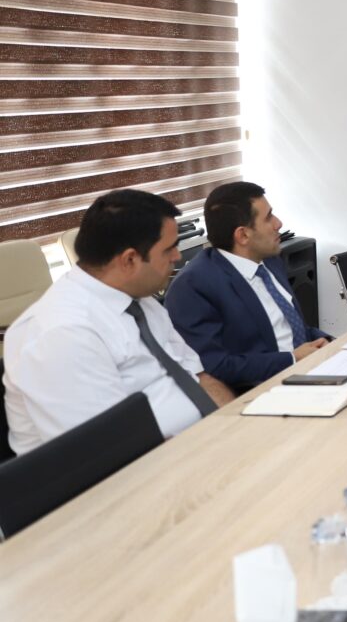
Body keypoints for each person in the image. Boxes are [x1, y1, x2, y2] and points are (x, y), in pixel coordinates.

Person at [3, 189, 234, 456]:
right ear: (130, 260)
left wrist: (234, 424)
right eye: (169, 249)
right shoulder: (61, 333)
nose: (177, 257)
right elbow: (109, 450)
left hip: (206, 441)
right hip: (139, 470)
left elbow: (198, 376)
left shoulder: (138, 299)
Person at [165, 181, 330, 392]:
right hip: (265, 390)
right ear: (243, 235)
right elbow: (215, 365)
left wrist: (330, 342)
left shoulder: (269, 260)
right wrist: (292, 359)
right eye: (268, 217)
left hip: (311, 370)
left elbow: (292, 328)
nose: (278, 223)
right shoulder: (193, 286)